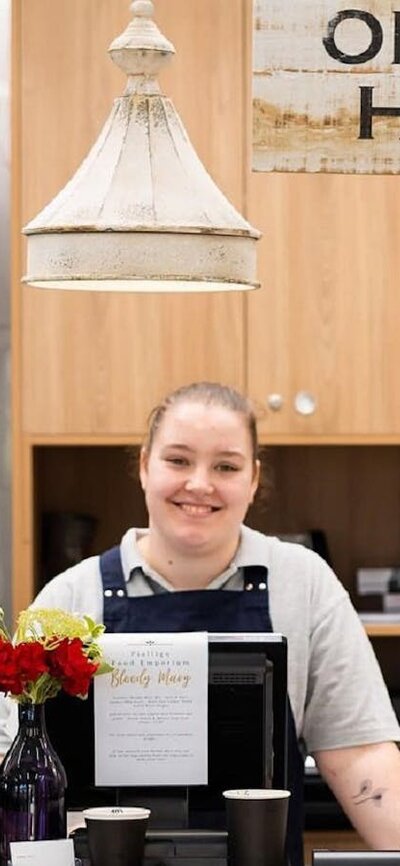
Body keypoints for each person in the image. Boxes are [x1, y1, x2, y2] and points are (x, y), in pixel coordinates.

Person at [1, 381, 400, 864]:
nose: (200, 483)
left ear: (253, 479)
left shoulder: (304, 583)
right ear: (145, 465)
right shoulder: (71, 596)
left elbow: (360, 757)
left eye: (226, 466)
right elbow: (14, 763)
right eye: (178, 460)